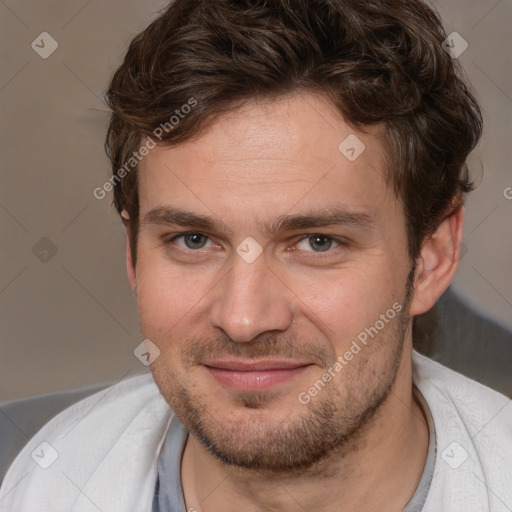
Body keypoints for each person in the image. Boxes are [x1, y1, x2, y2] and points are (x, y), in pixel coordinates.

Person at [1, 0, 511, 511]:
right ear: (133, 257)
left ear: (432, 257)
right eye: (193, 240)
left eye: (317, 242)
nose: (243, 319)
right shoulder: (45, 485)